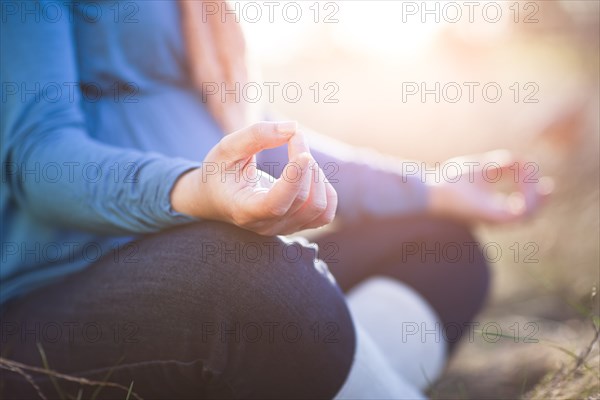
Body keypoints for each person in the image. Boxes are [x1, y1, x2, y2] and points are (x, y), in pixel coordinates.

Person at [0, 1, 551, 398]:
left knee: (441, 247)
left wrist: (430, 187)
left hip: (183, 258)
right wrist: (195, 189)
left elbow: (257, 138)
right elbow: (39, 158)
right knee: (253, 275)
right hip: (47, 305)